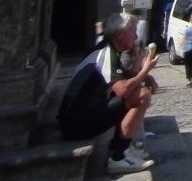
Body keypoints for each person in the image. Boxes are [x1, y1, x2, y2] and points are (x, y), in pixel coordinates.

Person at [57, 13, 157, 175]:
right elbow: (123, 90)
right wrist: (145, 71)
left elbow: (123, 77)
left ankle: (124, 151)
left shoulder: (108, 49)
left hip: (73, 118)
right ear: (120, 34)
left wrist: (145, 76)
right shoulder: (106, 54)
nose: (136, 36)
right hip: (75, 124)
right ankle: (118, 156)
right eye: (133, 31)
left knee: (134, 91)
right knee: (141, 95)